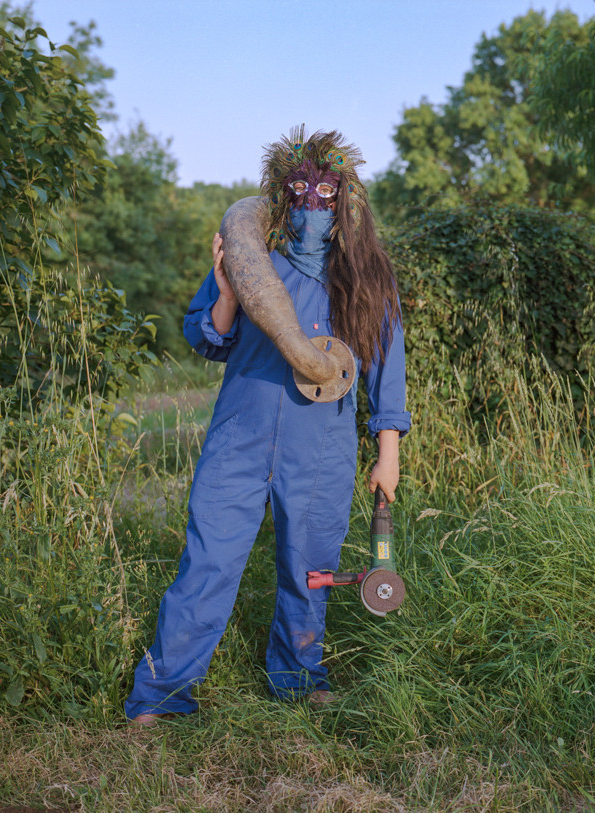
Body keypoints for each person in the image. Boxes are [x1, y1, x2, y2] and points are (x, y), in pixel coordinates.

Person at [125, 127, 410, 723]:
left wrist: (389, 452)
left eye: (325, 194)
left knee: (310, 569)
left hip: (324, 443)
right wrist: (228, 291)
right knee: (208, 560)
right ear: (281, 194)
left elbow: (386, 366)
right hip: (242, 433)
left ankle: (300, 677)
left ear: (346, 201)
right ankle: (162, 694)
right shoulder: (255, 255)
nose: (312, 206)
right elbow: (208, 339)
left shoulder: (365, 274)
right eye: (299, 191)